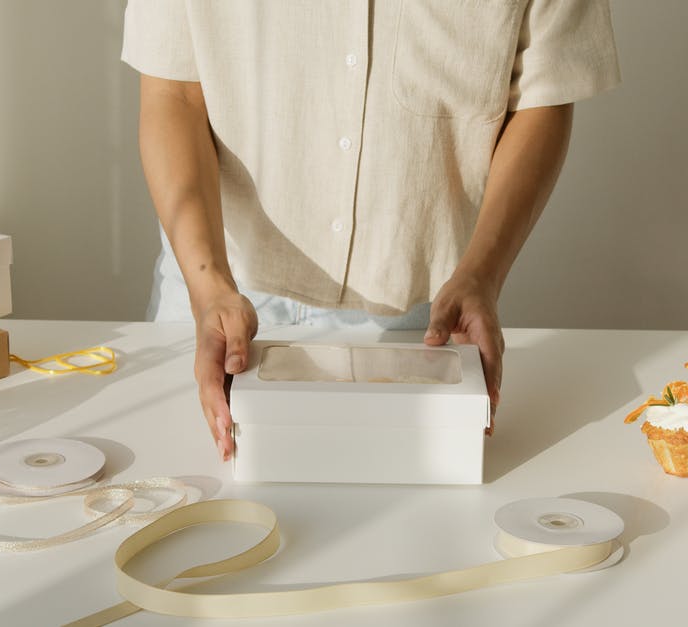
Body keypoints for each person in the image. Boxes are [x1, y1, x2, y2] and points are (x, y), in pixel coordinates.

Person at [122, 1, 620, 461]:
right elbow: (175, 91)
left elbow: (544, 93)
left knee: (411, 543)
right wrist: (208, 285)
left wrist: (483, 274)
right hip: (214, 291)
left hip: (428, 310)